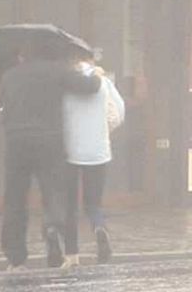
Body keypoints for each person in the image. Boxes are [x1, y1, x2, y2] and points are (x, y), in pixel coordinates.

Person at [0, 39, 102, 271]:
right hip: (49, 142)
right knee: (55, 193)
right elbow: (91, 86)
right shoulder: (58, 71)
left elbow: (3, 105)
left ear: (25, 54)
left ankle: (15, 258)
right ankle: (54, 231)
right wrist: (96, 73)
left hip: (16, 142)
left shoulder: (9, 75)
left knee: (14, 199)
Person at [60, 58, 125, 269]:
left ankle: (71, 254)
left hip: (69, 151)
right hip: (98, 151)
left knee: (69, 205)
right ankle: (99, 226)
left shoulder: (64, 83)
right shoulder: (103, 81)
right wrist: (102, 130)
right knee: (93, 202)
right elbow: (118, 113)